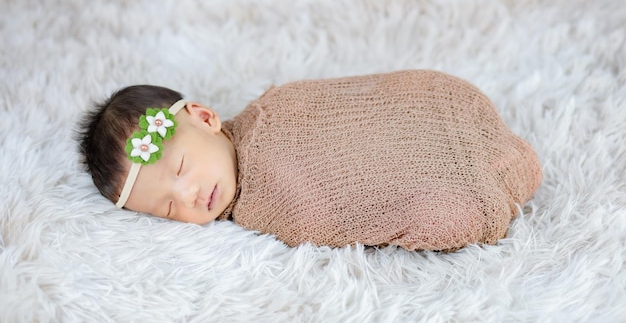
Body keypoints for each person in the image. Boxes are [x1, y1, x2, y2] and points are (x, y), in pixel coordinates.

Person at [78, 70, 542, 251]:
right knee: (449, 210)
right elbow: (332, 213)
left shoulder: (279, 106)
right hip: (439, 185)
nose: (189, 197)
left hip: (434, 108)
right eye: (167, 208)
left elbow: (349, 103)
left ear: (205, 117)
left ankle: (458, 138)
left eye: (180, 171)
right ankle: (477, 177)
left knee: (410, 101)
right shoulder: (262, 211)